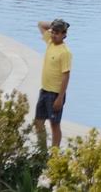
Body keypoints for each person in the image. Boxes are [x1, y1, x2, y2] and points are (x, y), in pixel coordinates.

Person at [34, 19, 72, 149]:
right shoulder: (50, 42)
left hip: (55, 94)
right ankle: (42, 151)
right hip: (44, 90)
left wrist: (60, 98)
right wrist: (54, 24)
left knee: (54, 124)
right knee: (38, 122)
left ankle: (54, 154)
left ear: (64, 34)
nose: (54, 35)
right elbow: (40, 24)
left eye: (57, 33)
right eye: (53, 32)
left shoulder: (65, 52)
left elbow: (66, 75)